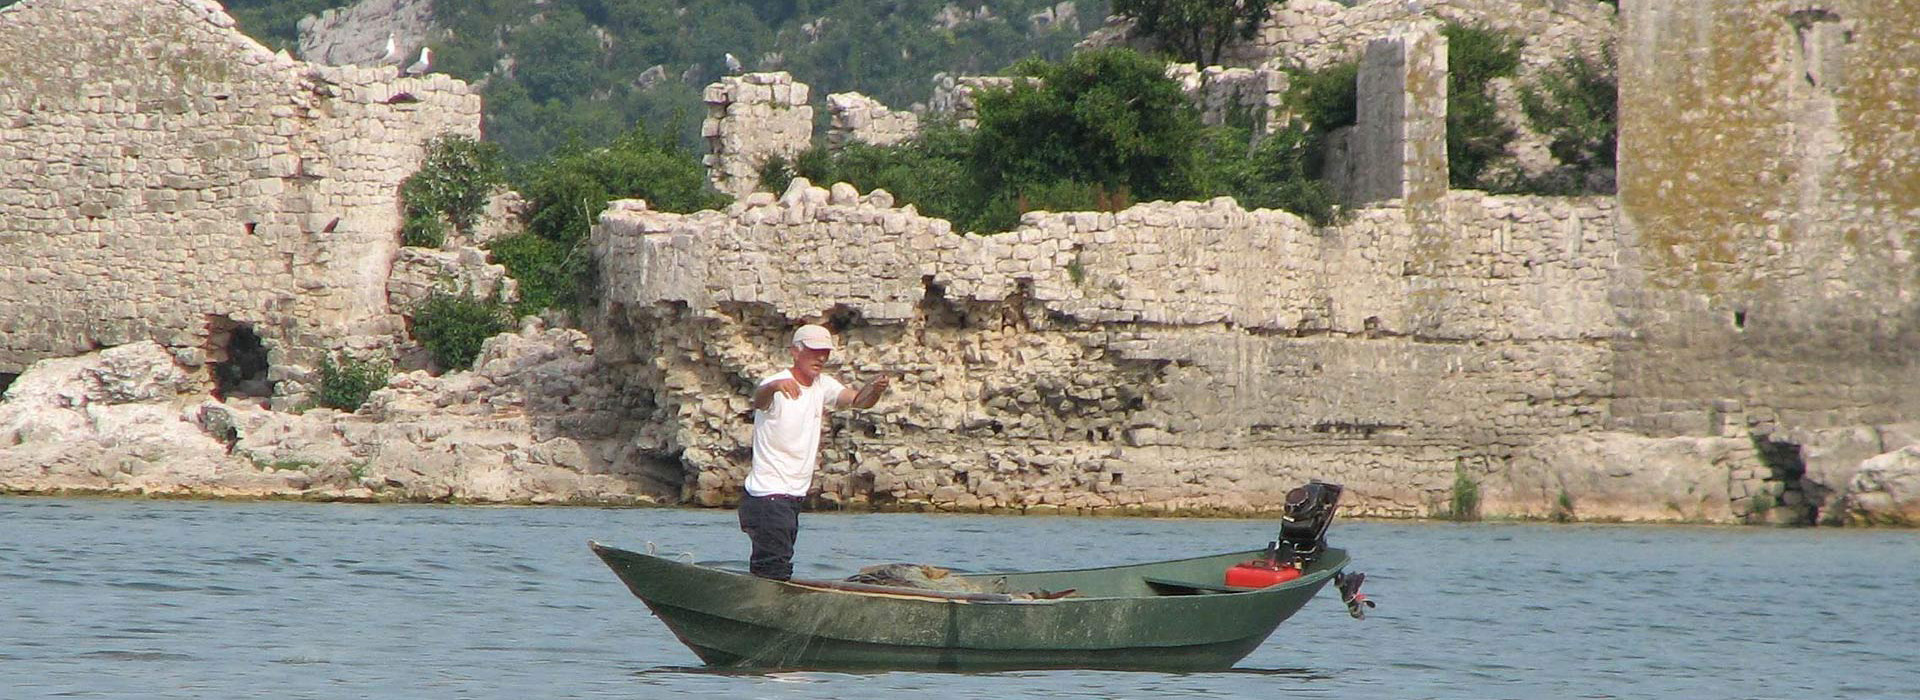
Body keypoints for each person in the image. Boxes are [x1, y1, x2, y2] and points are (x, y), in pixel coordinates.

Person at [739, 324, 891, 580]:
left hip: (791, 497)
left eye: (825, 352)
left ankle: (768, 609)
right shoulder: (774, 384)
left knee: (778, 565)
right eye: (813, 351)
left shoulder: (823, 385)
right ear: (795, 352)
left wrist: (874, 389)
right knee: (773, 569)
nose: (820, 358)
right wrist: (775, 387)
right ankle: (764, 612)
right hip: (767, 496)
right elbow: (759, 401)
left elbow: (858, 402)